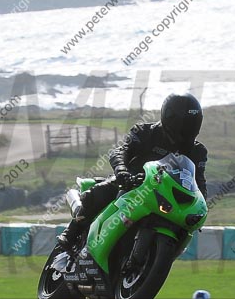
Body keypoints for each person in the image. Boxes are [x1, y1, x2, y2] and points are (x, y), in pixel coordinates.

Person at [57, 93, 208, 251]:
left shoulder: (197, 151)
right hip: (132, 183)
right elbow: (120, 151)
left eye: (192, 124)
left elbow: (199, 181)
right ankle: (72, 231)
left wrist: (200, 207)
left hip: (167, 196)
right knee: (98, 193)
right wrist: (122, 170)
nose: (187, 129)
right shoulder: (145, 132)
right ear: (170, 119)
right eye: (183, 124)